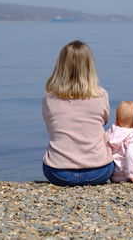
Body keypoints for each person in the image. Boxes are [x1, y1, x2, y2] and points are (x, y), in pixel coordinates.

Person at [42, 40, 114, 186]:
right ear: (89, 66)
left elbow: (51, 126)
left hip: (58, 172)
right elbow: (103, 121)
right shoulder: (101, 95)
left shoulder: (49, 98)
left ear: (60, 66)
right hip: (98, 171)